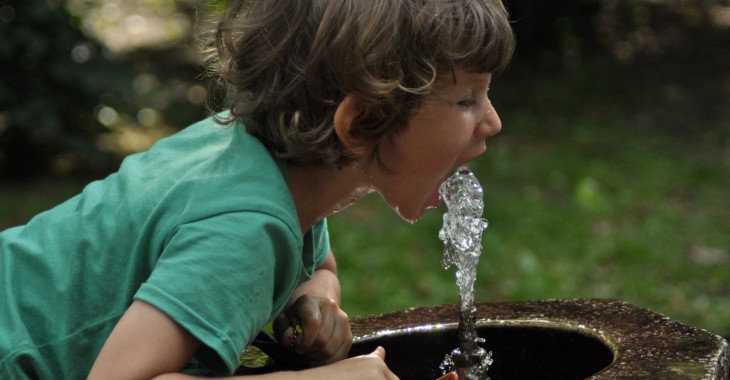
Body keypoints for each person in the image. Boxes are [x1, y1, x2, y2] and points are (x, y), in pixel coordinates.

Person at [0, 0, 515, 378]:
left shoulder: (269, 166)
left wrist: (315, 298)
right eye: (467, 99)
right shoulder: (244, 230)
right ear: (362, 123)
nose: (490, 121)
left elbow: (316, 263)